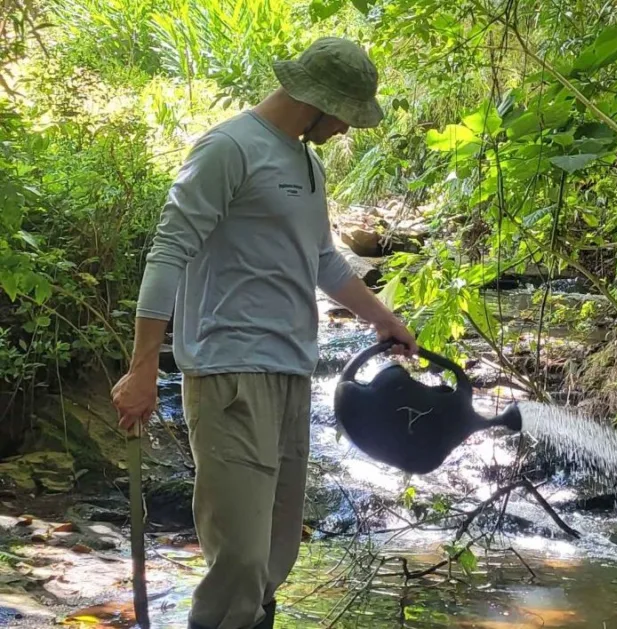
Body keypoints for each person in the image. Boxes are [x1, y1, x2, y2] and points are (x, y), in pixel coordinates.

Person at [110, 37, 417, 629]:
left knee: (275, 554)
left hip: (291, 368)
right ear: (318, 102)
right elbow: (169, 251)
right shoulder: (229, 148)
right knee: (241, 557)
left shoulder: (307, 162)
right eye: (348, 116)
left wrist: (384, 318)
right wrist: (145, 364)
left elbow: (323, 259)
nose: (348, 129)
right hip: (228, 370)